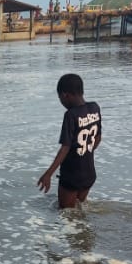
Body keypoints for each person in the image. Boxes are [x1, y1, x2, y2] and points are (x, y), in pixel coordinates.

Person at [38, 73, 102, 209]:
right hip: (89, 173)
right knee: (79, 211)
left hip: (72, 175)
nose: (61, 102)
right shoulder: (95, 108)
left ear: (65, 95)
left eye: (60, 98)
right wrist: (84, 152)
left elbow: (65, 148)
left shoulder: (70, 115)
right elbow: (98, 138)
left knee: (66, 217)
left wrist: (48, 174)